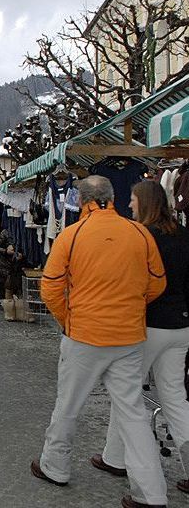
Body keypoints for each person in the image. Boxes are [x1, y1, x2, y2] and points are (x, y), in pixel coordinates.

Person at [30, 176, 168, 508]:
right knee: (133, 414)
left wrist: (68, 319)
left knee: (68, 406)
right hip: (129, 336)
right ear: (113, 197)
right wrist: (131, 306)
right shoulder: (139, 233)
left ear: (81, 200)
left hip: (84, 335)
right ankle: (151, 494)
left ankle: (55, 467)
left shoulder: (72, 235)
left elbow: (49, 289)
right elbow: (157, 284)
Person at [93, 180, 189, 496]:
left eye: (133, 200)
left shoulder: (141, 237)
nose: (129, 205)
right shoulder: (183, 235)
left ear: (144, 203)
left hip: (147, 326)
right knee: (174, 396)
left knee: (126, 393)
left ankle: (120, 461)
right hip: (181, 327)